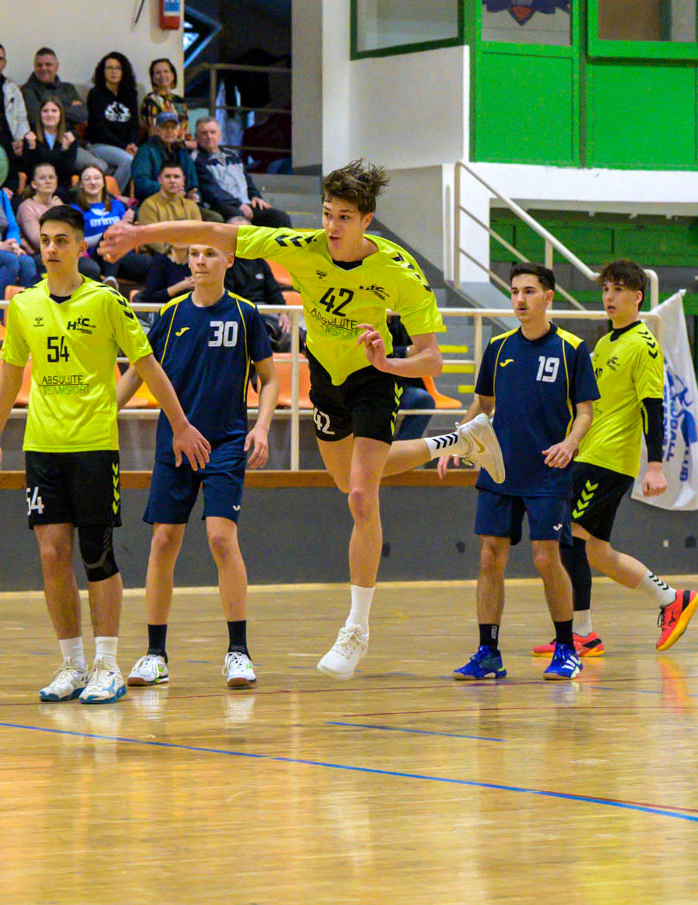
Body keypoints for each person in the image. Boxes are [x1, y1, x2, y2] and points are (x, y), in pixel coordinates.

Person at [100, 159, 506, 679]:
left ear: (366, 221)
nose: (332, 226)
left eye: (344, 217)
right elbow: (215, 232)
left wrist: (389, 363)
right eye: (327, 213)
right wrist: (139, 235)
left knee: (360, 495)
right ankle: (458, 441)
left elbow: (432, 361)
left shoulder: (399, 271)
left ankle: (356, 628)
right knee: (346, 479)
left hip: (373, 375)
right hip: (325, 378)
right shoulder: (303, 247)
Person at [0, 204, 208, 706]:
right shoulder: (24, 305)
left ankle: (107, 665)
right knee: (51, 554)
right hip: (43, 446)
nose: (51, 249)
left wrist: (181, 424)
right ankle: (73, 664)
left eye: (61, 240)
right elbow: (9, 377)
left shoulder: (105, 301)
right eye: (45, 240)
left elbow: (147, 365)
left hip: (94, 445)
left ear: (81, 247)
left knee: (96, 554)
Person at [118, 240, 278, 689]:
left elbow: (269, 379)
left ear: (229, 260)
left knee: (221, 538)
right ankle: (155, 654)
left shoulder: (245, 314)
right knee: (163, 540)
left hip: (225, 441)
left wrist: (262, 427)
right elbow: (137, 372)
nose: (200, 260)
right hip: (175, 441)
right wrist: (102, 412)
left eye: (209, 252)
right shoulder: (170, 315)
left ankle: (238, 651)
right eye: (193, 253)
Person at [438, 263, 597, 682]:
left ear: (548, 297)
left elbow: (585, 411)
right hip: (500, 469)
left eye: (529, 291)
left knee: (546, 557)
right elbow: (482, 405)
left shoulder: (572, 349)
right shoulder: (499, 347)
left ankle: (566, 649)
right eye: (514, 291)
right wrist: (455, 442)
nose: (520, 299)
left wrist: (570, 443)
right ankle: (488, 652)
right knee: (490, 556)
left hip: (548, 471)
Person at [532, 260, 698, 659]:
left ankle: (581, 633)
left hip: (608, 460)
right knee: (597, 551)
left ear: (637, 297)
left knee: (568, 536)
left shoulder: (644, 344)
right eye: (606, 289)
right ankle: (672, 599)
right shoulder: (606, 343)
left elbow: (653, 407)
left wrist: (655, 466)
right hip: (589, 454)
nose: (609, 296)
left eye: (619, 289)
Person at [194, 116, 290, 227]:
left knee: (280, 217)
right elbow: (213, 192)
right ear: (197, 137)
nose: (209, 136)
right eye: (204, 133)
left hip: (245, 203)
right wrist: (239, 205)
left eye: (213, 132)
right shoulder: (197, 160)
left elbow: (248, 182)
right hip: (221, 205)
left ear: (220, 135)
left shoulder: (233, 155)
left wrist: (255, 196)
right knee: (240, 220)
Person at [15, 161, 100, 281]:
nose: (48, 181)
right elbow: (37, 240)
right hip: (38, 255)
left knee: (91, 267)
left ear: (56, 182)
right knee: (85, 268)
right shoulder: (27, 206)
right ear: (34, 184)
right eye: (42, 178)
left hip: (63, 253)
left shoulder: (60, 205)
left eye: (51, 177)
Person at [74, 164, 142, 282]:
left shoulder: (117, 205)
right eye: (87, 179)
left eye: (97, 178)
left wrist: (126, 225)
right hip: (96, 257)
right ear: (81, 184)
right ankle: (110, 279)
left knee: (149, 264)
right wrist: (111, 231)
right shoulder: (75, 210)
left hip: (122, 255)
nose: (93, 182)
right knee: (110, 232)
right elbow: (76, 242)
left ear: (103, 183)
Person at [85, 51, 140, 191]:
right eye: (109, 68)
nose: (113, 72)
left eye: (118, 68)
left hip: (124, 147)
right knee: (128, 161)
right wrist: (124, 147)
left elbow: (134, 125)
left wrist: (132, 144)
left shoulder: (130, 94)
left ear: (124, 72)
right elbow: (98, 128)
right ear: (103, 72)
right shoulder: (95, 94)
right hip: (100, 145)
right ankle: (111, 197)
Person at [130, 110, 198, 201]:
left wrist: (192, 193)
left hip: (181, 201)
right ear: (156, 130)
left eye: (173, 127)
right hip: (153, 202)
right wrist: (168, 189)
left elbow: (192, 180)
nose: (169, 131)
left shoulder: (182, 151)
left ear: (178, 131)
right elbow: (141, 182)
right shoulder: (145, 151)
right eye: (165, 127)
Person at [20, 47, 88, 136]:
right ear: (34, 67)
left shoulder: (68, 88)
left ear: (57, 67)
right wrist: (69, 107)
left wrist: (47, 109)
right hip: (43, 141)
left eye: (48, 64)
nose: (43, 68)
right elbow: (37, 119)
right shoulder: (27, 90)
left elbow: (83, 114)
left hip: (70, 139)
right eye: (39, 65)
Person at [19, 98, 80, 189]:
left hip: (60, 188)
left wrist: (65, 150)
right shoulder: (30, 137)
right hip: (36, 188)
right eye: (45, 111)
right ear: (40, 114)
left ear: (60, 114)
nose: (49, 115)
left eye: (54, 111)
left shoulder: (69, 138)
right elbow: (28, 171)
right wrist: (32, 148)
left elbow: (66, 174)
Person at [140, 57, 187, 141]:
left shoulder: (180, 101)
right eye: (158, 73)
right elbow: (153, 131)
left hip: (180, 144)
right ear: (152, 78)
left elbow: (185, 128)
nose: (162, 75)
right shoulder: (150, 101)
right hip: (157, 145)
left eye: (166, 71)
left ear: (173, 75)